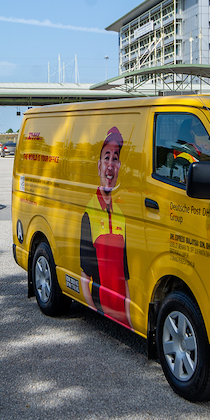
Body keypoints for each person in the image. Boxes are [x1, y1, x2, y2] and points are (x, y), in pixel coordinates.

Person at [79, 126, 131, 328]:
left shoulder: (122, 214)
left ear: (119, 166)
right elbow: (84, 276)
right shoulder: (88, 212)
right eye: (106, 157)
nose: (111, 164)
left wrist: (129, 319)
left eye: (115, 158)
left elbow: (125, 277)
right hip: (102, 309)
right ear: (99, 165)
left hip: (122, 315)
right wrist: (96, 313)